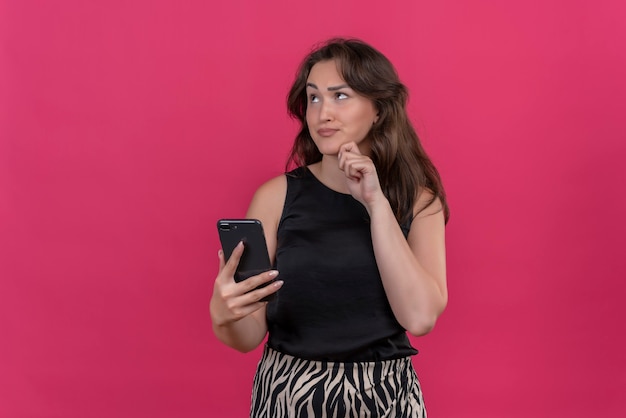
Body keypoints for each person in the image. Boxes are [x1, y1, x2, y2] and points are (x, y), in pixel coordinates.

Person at [210, 38, 449, 417]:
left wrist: (376, 204)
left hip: (386, 400)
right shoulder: (275, 197)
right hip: (289, 396)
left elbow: (419, 318)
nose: (323, 113)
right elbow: (249, 336)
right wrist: (224, 315)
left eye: (340, 96)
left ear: (378, 111)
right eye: (314, 98)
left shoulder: (418, 201)